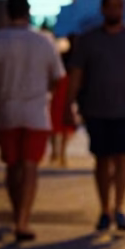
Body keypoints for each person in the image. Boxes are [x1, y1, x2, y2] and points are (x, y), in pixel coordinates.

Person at [0, 0, 65, 241]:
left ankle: (17, 213)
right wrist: (45, 94)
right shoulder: (44, 41)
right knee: (29, 167)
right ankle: (22, 221)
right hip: (37, 112)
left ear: (8, 13)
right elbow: (58, 78)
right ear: (28, 13)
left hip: (7, 110)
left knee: (12, 166)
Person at [64, 0, 125, 232]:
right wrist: (68, 104)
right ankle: (105, 208)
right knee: (102, 161)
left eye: (118, 6)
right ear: (103, 10)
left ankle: (119, 207)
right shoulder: (88, 40)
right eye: (110, 6)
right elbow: (76, 75)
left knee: (124, 159)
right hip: (97, 111)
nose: (115, 10)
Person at [48, 34, 77, 166]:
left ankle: (55, 153)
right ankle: (62, 154)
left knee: (55, 123)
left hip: (59, 91)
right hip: (67, 91)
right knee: (65, 126)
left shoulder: (60, 56)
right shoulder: (76, 60)